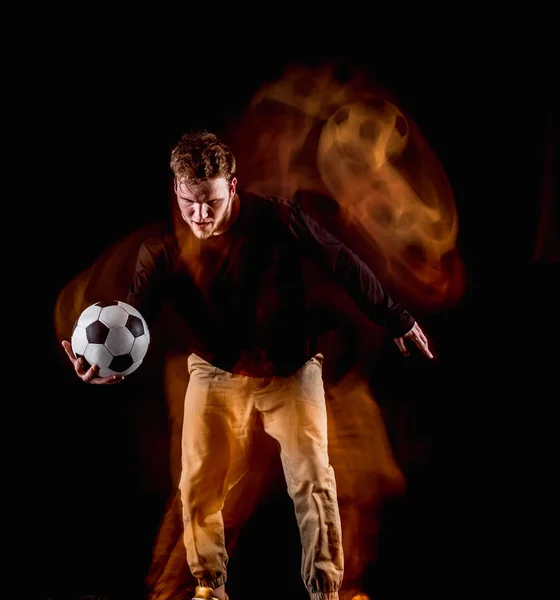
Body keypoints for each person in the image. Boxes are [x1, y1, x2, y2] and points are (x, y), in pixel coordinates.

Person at [62, 130, 433, 600]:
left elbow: (340, 261)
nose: (200, 215)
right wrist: (111, 369)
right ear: (176, 192)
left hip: (292, 371)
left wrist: (396, 319)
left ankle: (325, 591)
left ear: (232, 186)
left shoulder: (277, 218)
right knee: (197, 485)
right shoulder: (161, 253)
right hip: (216, 375)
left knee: (314, 479)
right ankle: (208, 587)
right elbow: (133, 322)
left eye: (211, 202)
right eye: (189, 203)